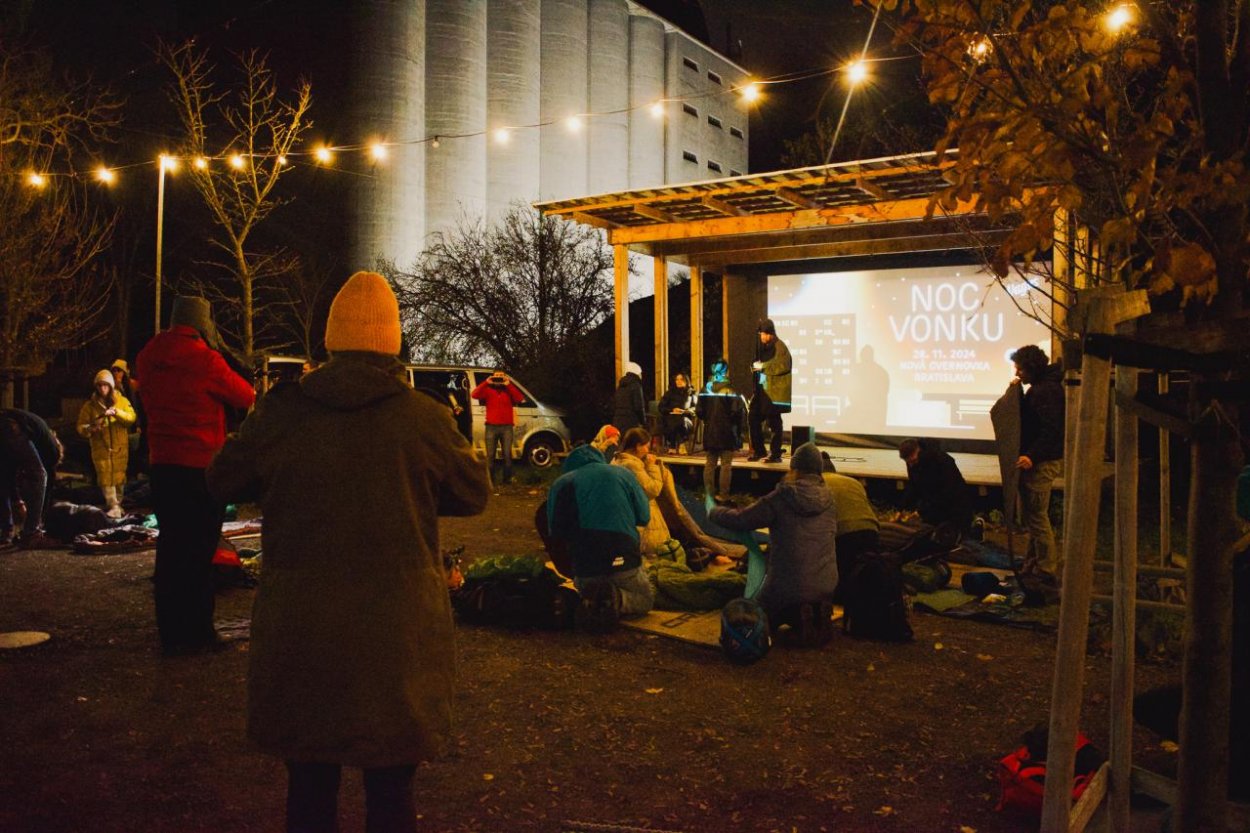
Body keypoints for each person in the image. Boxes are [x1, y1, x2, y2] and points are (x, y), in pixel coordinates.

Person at [207, 271, 491, 833]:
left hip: (301, 627)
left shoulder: (283, 412)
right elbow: (473, 492)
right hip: (397, 633)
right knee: (391, 790)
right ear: (393, 342)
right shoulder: (423, 418)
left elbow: (221, 479)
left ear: (330, 340)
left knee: (308, 786)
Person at [136, 295, 255, 655]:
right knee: (201, 552)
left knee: (171, 550)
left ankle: (170, 634)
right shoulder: (205, 359)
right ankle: (199, 633)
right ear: (203, 323)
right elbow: (245, 394)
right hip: (201, 467)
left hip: (162, 465)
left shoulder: (148, 356)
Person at [710, 442, 838, 634]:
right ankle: (810, 612)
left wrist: (714, 512)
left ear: (794, 469)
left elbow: (742, 519)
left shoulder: (782, 497)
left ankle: (792, 611)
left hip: (787, 586)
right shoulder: (830, 500)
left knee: (754, 615)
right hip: (827, 584)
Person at [546, 444, 654, 625]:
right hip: (623, 553)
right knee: (645, 599)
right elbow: (644, 516)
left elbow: (555, 532)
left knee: (589, 585)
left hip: (586, 562)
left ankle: (593, 600)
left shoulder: (561, 483)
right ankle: (618, 600)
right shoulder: (623, 474)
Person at [1011, 344, 1065, 577]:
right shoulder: (1041, 388)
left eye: (1020, 369)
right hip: (1040, 459)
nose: (1017, 374)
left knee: (1038, 518)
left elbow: (1050, 430)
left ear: (1031, 368)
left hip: (1041, 463)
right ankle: (1033, 564)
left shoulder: (1046, 391)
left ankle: (1046, 568)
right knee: (1034, 518)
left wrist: (1032, 456)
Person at [76, 369, 136, 518]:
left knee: (119, 477)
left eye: (105, 385)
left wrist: (117, 413)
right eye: (100, 385)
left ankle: (118, 505)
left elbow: (131, 418)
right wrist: (91, 427)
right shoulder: (90, 406)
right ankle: (113, 505)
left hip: (119, 447)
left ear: (111, 386)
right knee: (105, 477)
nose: (102, 389)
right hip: (101, 447)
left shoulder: (122, 402)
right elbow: (81, 426)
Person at [0, 409, 62, 548]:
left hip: (5, 423)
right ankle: (31, 533)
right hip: (12, 426)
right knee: (40, 475)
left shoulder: (37, 436)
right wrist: (40, 519)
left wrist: (17, 500)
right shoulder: (52, 453)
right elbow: (47, 485)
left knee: (2, 476)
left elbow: (7, 474)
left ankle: (6, 532)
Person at [612, 426, 672, 557]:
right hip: (643, 521)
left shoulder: (616, 461)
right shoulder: (632, 465)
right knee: (650, 557)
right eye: (646, 446)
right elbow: (652, 490)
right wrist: (652, 466)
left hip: (626, 517)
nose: (648, 450)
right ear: (638, 446)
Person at [897, 437, 973, 537]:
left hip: (954, 505)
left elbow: (950, 489)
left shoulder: (942, 460)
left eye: (913, 461)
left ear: (919, 451)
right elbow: (914, 485)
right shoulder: (914, 463)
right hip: (933, 505)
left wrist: (924, 508)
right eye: (908, 463)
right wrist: (902, 507)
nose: (911, 466)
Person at [696, 358, 747, 502]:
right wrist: (738, 431)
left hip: (710, 431)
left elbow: (699, 411)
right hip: (727, 433)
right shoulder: (730, 390)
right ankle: (724, 495)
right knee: (726, 465)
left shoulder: (705, 389)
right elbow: (737, 412)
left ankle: (709, 493)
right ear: (726, 371)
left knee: (710, 463)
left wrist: (709, 419)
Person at [748, 318, 792, 463]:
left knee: (774, 422)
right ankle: (759, 451)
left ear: (771, 333)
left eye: (765, 334)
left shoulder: (780, 347)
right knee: (753, 417)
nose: (762, 337)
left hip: (774, 392)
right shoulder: (762, 348)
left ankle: (775, 454)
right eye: (761, 334)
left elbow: (783, 366)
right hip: (762, 390)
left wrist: (763, 366)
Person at [472, 369, 524, 485]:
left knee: (507, 454)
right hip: (491, 427)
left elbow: (519, 399)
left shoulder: (509, 390)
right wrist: (486, 382)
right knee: (490, 455)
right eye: (497, 376)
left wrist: (509, 384)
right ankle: (490, 480)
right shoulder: (488, 390)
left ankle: (507, 480)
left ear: (505, 377)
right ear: (493, 377)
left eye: (501, 376)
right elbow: (474, 394)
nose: (499, 378)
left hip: (507, 427)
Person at [657, 371, 695, 453]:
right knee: (674, 420)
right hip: (670, 418)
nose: (678, 381)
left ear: (686, 381)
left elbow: (695, 408)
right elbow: (661, 407)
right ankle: (682, 444)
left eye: (681, 379)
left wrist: (685, 411)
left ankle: (672, 446)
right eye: (677, 379)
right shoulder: (669, 393)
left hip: (685, 419)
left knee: (680, 420)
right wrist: (672, 410)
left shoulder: (691, 393)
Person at [611, 361, 647, 433]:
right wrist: (644, 422)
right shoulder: (636, 386)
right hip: (631, 421)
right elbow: (639, 407)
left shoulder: (620, 386)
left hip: (618, 421)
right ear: (638, 373)